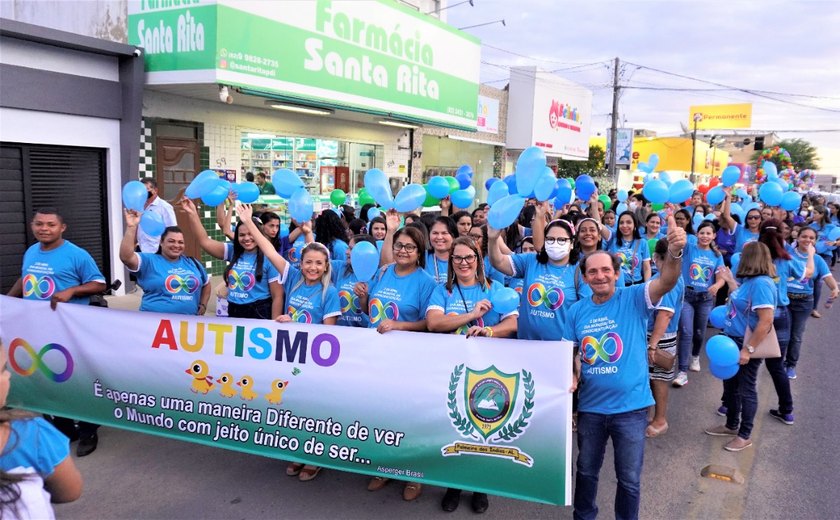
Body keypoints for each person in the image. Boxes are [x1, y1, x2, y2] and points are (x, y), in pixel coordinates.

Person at [564, 213, 686, 520]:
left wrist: (674, 252)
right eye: (593, 271)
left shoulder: (634, 297)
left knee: (629, 480)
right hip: (591, 409)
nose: (600, 275)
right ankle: (584, 516)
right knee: (586, 472)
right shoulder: (576, 311)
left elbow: (668, 280)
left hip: (631, 410)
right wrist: (573, 371)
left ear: (617, 274)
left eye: (606, 270)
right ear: (585, 277)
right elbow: (571, 353)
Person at [237, 204, 340, 482]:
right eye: (308, 262)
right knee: (294, 407)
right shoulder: (293, 277)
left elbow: (328, 336)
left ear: (326, 266)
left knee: (314, 409)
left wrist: (294, 324)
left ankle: (314, 458)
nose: (313, 267)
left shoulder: (329, 293)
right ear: (301, 264)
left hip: (316, 362)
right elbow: (270, 252)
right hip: (291, 357)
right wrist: (249, 222)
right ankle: (299, 453)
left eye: (319, 263)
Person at [426, 237, 518, 514]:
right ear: (450, 262)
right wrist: (471, 316)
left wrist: (490, 330)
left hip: (487, 374)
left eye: (469, 257)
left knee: (483, 433)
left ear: (478, 259)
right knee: (452, 429)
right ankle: (453, 485)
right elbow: (433, 323)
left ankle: (480, 488)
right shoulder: (442, 291)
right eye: (457, 258)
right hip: (451, 371)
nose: (463, 263)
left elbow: (512, 322)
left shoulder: (495, 288)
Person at [7, 208, 106, 457]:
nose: (44, 229)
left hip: (67, 333)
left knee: (75, 382)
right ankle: (64, 428)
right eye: (39, 224)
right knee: (49, 382)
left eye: (50, 224)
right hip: (37, 331)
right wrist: (7, 301)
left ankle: (87, 431)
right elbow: (26, 279)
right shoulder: (31, 251)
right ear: (32, 225)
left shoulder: (76, 255)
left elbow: (100, 283)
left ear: (62, 228)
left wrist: (72, 291)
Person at [358, 210, 436, 501]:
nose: (403, 251)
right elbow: (372, 312)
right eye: (399, 246)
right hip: (376, 356)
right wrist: (364, 296)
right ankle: (384, 467)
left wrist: (399, 325)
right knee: (382, 413)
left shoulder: (426, 282)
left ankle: (413, 474)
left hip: (407, 358)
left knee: (408, 419)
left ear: (419, 252)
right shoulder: (383, 271)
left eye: (410, 247)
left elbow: (429, 323)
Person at [705, 242, 777, 452]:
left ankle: (745, 435)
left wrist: (748, 350)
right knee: (731, 387)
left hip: (744, 345)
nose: (739, 258)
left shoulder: (762, 284)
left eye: (744, 255)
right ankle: (731, 425)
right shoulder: (750, 281)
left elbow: (766, 321)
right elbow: (744, 303)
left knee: (746, 389)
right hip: (732, 341)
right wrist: (729, 281)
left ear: (751, 258)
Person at [0, 343, 83, 518]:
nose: (8, 375)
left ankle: (86, 432)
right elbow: (70, 490)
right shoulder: (32, 434)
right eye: (2, 369)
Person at [489, 204, 579, 341]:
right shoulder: (532, 261)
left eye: (562, 240)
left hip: (560, 349)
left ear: (571, 243)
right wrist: (493, 239)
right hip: (526, 344)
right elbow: (499, 262)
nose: (555, 243)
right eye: (550, 239)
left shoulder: (579, 271)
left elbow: (585, 312)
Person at [182, 199, 284, 319]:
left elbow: (278, 296)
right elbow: (204, 241)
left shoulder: (270, 257)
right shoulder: (233, 251)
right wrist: (192, 213)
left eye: (251, 234)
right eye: (241, 235)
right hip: (233, 310)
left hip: (259, 312)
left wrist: (274, 325)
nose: (246, 238)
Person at [753, 219, 810, 423]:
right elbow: (806, 274)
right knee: (776, 366)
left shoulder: (752, 255)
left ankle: (728, 406)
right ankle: (787, 411)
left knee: (748, 364)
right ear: (781, 235)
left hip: (756, 314)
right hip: (780, 314)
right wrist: (810, 255)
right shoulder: (787, 259)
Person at [120, 211, 210, 315]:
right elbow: (126, 257)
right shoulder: (149, 261)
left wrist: (203, 305)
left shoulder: (193, 263)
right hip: (155, 324)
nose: (176, 245)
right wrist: (131, 227)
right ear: (161, 243)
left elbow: (207, 284)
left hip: (186, 325)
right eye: (171, 241)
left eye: (180, 242)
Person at [673, 221, 726, 386]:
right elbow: (676, 238)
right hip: (687, 296)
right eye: (702, 233)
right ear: (697, 234)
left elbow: (721, 277)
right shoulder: (689, 248)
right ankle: (682, 372)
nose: (705, 236)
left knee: (699, 332)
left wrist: (717, 285)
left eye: (708, 233)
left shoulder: (717, 256)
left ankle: (695, 356)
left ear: (714, 236)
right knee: (686, 331)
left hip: (705, 299)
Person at [784, 227, 837, 379]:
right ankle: (778, 362)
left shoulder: (818, 260)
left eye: (811, 238)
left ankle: (791, 365)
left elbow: (827, 277)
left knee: (796, 335)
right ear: (798, 238)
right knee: (783, 334)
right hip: (785, 300)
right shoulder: (787, 256)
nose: (807, 240)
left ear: (815, 241)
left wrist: (834, 288)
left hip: (804, 302)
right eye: (804, 237)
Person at [645, 238, 684, 437]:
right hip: (657, 333)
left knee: (659, 379)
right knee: (651, 377)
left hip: (660, 336)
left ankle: (660, 420)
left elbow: (665, 313)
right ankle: (650, 415)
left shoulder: (669, 281)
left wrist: (653, 345)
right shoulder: (663, 277)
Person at [330, 234, 377, 328]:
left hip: (364, 333)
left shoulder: (379, 275)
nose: (346, 252)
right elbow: (317, 262)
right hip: (339, 331)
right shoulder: (339, 267)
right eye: (348, 248)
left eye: (351, 249)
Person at [808, 205, 838, 317]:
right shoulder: (811, 226)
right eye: (813, 212)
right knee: (809, 279)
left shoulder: (832, 227)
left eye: (816, 213)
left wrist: (835, 243)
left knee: (818, 282)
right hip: (812, 254)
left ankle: (814, 308)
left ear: (822, 214)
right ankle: (805, 305)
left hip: (825, 255)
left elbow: (837, 241)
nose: (813, 215)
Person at [607, 211, 651, 285]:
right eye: (621, 223)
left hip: (636, 285)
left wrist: (646, 286)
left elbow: (646, 268)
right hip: (616, 285)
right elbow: (599, 226)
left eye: (628, 222)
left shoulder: (642, 242)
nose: (624, 225)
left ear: (635, 225)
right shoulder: (613, 238)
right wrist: (594, 203)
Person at [137, 177, 177, 253]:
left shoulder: (164, 207)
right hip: (141, 247)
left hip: (157, 249)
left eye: (147, 190)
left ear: (155, 190)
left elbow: (172, 230)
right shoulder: (140, 205)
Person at [424, 217, 457, 285]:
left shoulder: (462, 260)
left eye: (444, 233)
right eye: (435, 233)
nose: (439, 237)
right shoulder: (421, 257)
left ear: (454, 236)